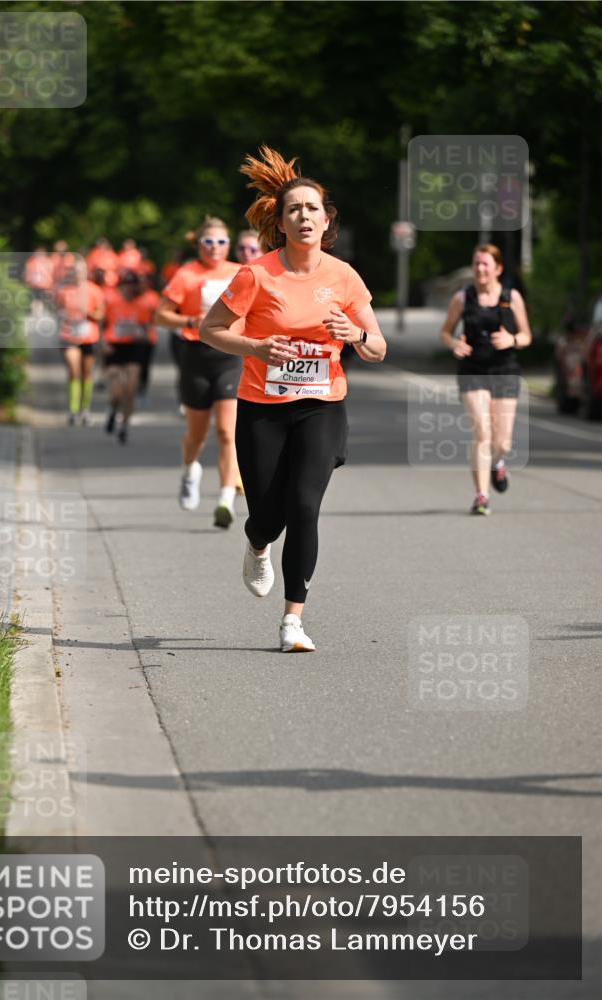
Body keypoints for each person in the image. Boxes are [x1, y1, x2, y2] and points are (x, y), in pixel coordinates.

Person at [200, 146, 386, 652]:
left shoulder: (344, 276)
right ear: (280, 223)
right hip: (262, 407)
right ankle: (256, 541)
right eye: (294, 210)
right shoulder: (257, 275)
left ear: (327, 221)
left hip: (321, 405)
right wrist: (256, 346)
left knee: (304, 505)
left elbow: (377, 347)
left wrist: (354, 334)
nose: (305, 217)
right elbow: (210, 329)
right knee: (269, 513)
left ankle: (292, 621)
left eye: (313, 209)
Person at [157, 218, 242, 527]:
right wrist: (190, 322)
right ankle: (190, 469)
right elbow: (161, 315)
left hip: (231, 357)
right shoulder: (186, 274)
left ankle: (225, 499)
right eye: (208, 242)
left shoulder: (239, 273)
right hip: (195, 356)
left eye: (221, 242)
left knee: (226, 432)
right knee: (197, 433)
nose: (215, 248)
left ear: (228, 246)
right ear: (198, 245)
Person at [440, 244, 532, 515]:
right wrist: (454, 344)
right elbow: (445, 332)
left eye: (485, 265)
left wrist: (512, 339)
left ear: (498, 269)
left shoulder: (511, 297)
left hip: (505, 371)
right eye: (476, 263)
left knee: (502, 442)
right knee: (482, 434)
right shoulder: (462, 298)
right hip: (472, 371)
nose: (480, 269)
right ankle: (481, 496)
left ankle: (498, 463)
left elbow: (527, 335)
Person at [102, 270, 153, 443]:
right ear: (121, 286)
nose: (130, 289)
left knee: (130, 390)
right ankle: (112, 410)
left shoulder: (141, 305)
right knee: (117, 392)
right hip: (114, 348)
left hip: (133, 348)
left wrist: (142, 336)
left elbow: (147, 331)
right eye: (127, 285)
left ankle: (123, 425)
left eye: (133, 286)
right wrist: (103, 344)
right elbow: (102, 325)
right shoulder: (112, 302)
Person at [55, 259, 105, 425]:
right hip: (69, 336)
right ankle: (73, 410)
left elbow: (101, 315)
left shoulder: (94, 291)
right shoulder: (64, 291)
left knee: (86, 374)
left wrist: (88, 312)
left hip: (89, 337)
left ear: (86, 273)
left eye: (81, 271)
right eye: (75, 271)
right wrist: (65, 316)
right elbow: (58, 309)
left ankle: (85, 409)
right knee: (73, 371)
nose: (77, 275)